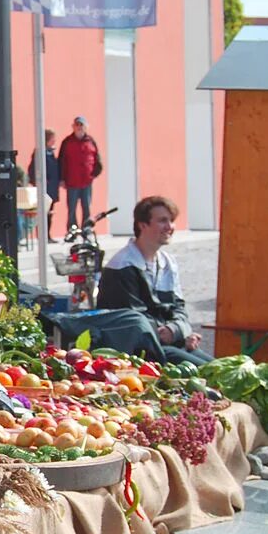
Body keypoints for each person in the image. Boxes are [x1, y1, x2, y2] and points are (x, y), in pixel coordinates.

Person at [97, 196, 211, 365]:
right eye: (163, 221)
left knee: (218, 368)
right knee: (210, 374)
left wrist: (180, 331)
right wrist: (176, 335)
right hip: (139, 352)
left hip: (168, 343)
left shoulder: (167, 263)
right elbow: (135, 322)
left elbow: (178, 307)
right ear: (142, 225)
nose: (170, 227)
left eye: (171, 221)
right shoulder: (122, 266)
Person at [56, 116, 102, 232]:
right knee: (71, 208)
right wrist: (62, 179)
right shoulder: (67, 142)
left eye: (81, 125)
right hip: (71, 181)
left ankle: (86, 229)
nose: (79, 127)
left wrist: (93, 175)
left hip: (86, 181)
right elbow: (61, 161)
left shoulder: (91, 141)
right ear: (73, 126)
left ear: (86, 127)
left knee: (86, 207)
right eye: (77, 125)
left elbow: (97, 160)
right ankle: (72, 230)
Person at [28, 128, 61, 241]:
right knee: (43, 213)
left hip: (52, 188)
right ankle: (42, 236)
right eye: (52, 139)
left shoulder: (51, 152)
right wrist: (38, 182)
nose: (54, 142)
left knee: (50, 213)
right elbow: (33, 169)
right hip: (44, 188)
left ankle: (48, 235)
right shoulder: (39, 152)